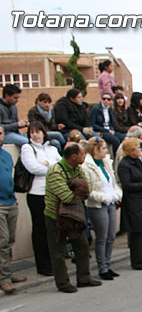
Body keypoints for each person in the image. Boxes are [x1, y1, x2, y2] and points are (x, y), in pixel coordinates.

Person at [44, 142, 102, 293]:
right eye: (82, 154)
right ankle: (62, 283)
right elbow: (66, 196)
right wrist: (79, 191)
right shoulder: (55, 171)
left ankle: (84, 278)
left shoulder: (77, 168)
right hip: (55, 217)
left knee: (82, 246)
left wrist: (79, 188)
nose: (84, 156)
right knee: (58, 251)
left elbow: (88, 187)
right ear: (74, 156)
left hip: (75, 215)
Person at [20, 121, 61, 277]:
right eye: (32, 132)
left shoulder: (52, 149)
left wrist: (46, 164)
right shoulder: (27, 148)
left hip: (54, 192)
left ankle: (54, 261)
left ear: (44, 133)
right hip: (37, 194)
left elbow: (61, 166)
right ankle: (43, 265)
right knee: (40, 229)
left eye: (37, 132)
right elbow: (33, 168)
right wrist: (51, 166)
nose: (34, 135)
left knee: (54, 228)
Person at [81, 137, 122, 280]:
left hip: (110, 202)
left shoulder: (106, 163)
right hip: (98, 205)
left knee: (111, 236)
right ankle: (102, 267)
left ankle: (108, 264)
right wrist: (103, 197)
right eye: (103, 148)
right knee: (102, 237)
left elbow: (113, 182)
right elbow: (88, 190)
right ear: (95, 149)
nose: (106, 151)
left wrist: (117, 194)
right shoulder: (86, 166)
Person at [117, 137, 142, 270]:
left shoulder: (137, 162)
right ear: (130, 150)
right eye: (137, 148)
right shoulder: (124, 165)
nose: (139, 150)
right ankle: (136, 260)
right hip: (133, 201)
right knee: (136, 231)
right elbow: (127, 185)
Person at [0, 126, 27, 294]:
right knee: (2, 240)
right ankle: (4, 279)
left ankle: (8, 272)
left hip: (11, 201)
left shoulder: (7, 155)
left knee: (10, 239)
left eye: (1, 133)